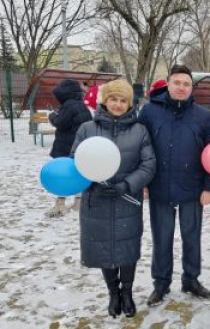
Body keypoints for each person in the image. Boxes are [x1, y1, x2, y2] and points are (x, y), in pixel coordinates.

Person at [72, 79, 156, 318]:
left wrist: (126, 185)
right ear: (104, 101)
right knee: (103, 248)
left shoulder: (139, 130)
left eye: (123, 100)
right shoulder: (87, 129)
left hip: (126, 199)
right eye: (113, 99)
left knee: (127, 247)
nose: (118, 104)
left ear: (129, 103)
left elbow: (148, 165)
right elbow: (75, 161)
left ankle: (127, 292)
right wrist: (93, 181)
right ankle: (113, 293)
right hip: (96, 200)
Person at [138, 64, 210, 305]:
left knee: (191, 236)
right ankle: (161, 284)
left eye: (186, 84)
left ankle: (191, 280)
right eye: (177, 83)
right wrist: (142, 181)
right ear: (168, 83)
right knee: (162, 238)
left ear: (191, 87)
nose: (182, 87)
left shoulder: (203, 116)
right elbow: (139, 148)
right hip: (159, 187)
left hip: (193, 189)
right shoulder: (149, 112)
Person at [45, 79, 92, 217]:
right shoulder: (81, 105)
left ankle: (60, 203)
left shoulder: (69, 105)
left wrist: (52, 115)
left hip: (66, 145)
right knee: (77, 173)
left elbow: (61, 123)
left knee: (62, 174)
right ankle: (78, 201)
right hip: (80, 146)